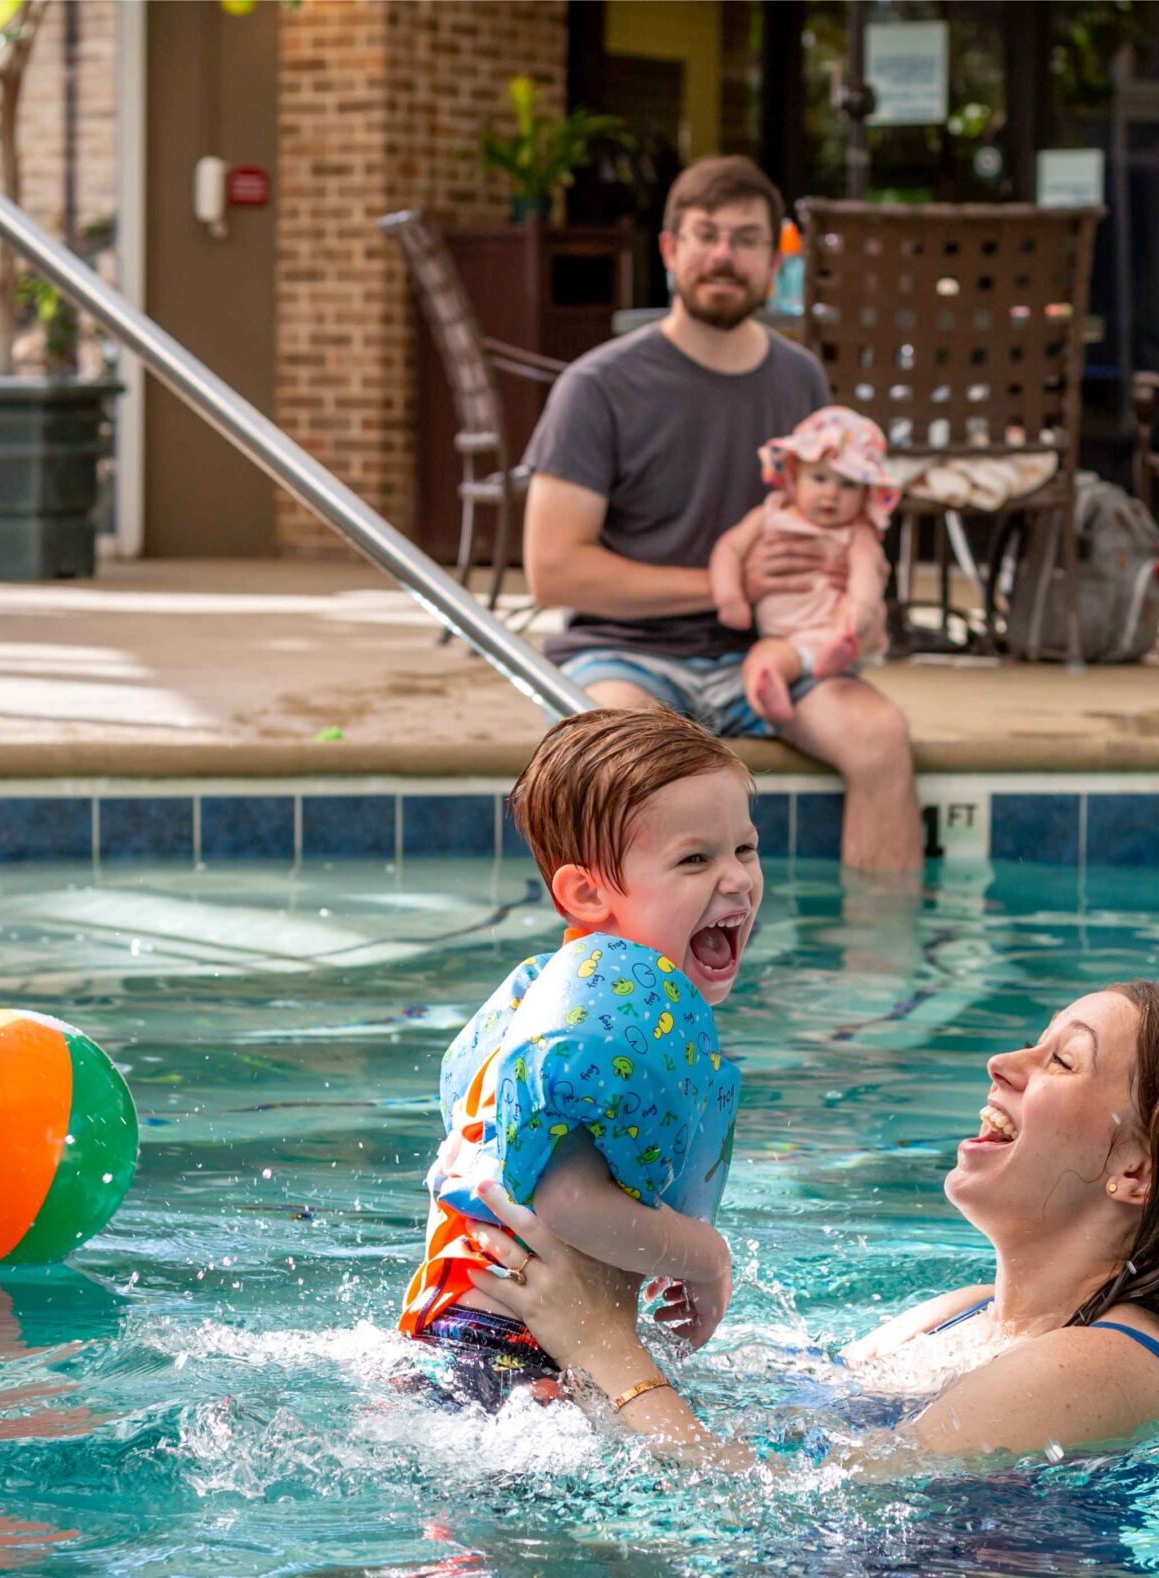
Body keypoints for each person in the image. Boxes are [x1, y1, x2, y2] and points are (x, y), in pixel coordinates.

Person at [460, 981, 1159, 1467]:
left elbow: (763, 1518)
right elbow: (750, 1418)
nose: (1003, 1062)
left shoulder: (1108, 1364)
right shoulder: (957, 1312)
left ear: (1136, 1169)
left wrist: (605, 1346)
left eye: (1061, 1059)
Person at [522, 155, 923, 873]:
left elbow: (838, 526)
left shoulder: (799, 378)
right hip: (629, 654)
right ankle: (640, 984)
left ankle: (880, 979)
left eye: (745, 240)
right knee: (628, 771)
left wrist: (854, 609)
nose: (723, 256)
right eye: (706, 235)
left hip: (769, 654)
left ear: (775, 263)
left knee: (881, 739)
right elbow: (553, 570)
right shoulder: (598, 386)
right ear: (671, 251)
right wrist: (719, 586)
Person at [398, 708, 761, 1407]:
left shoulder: (571, 998)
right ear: (587, 892)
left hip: (474, 1349)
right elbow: (567, 1205)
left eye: (744, 849)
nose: (738, 879)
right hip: (511, 1360)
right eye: (696, 858)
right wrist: (706, 1258)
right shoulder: (597, 1022)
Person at [709, 405, 897, 728]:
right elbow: (729, 549)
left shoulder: (857, 531)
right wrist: (730, 598)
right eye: (820, 478)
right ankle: (771, 693)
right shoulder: (769, 513)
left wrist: (859, 614)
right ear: (793, 478)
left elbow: (866, 575)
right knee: (764, 660)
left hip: (836, 626)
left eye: (848, 485)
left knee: (850, 620)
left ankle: (837, 652)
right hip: (786, 638)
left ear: (866, 493)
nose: (832, 494)